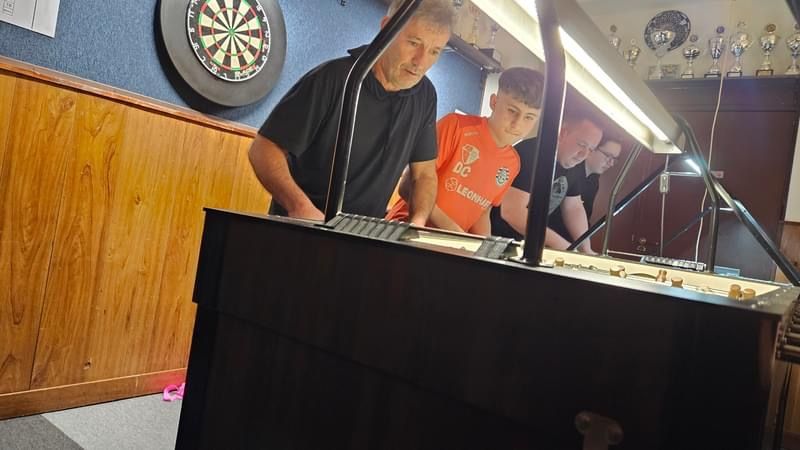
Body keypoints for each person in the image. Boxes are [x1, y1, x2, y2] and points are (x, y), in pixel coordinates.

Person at [247, 0, 456, 225]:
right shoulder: (333, 78)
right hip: (302, 228)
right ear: (386, 28)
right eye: (414, 43)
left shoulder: (425, 96)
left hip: (360, 235)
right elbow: (263, 149)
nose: (420, 62)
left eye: (434, 51)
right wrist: (299, 206)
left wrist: (418, 221)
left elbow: (424, 174)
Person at [386, 67, 544, 235]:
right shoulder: (456, 127)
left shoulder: (512, 163)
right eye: (512, 111)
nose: (517, 124)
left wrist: (484, 246)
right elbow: (408, 186)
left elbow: (482, 211)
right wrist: (455, 232)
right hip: (405, 231)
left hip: (450, 244)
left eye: (529, 117)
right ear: (494, 102)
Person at [490, 110, 604, 252]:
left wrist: (586, 250)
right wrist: (563, 246)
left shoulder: (574, 163)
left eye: (591, 149)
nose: (584, 154)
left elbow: (573, 207)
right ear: (563, 133)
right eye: (581, 144)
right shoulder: (532, 153)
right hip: (498, 242)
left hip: (528, 245)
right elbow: (512, 212)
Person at [549, 136, 623, 247]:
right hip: (550, 241)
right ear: (592, 149)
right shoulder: (569, 170)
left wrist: (585, 248)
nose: (611, 163)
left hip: (569, 244)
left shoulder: (594, 181)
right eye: (608, 156)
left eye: (614, 159)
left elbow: (582, 215)